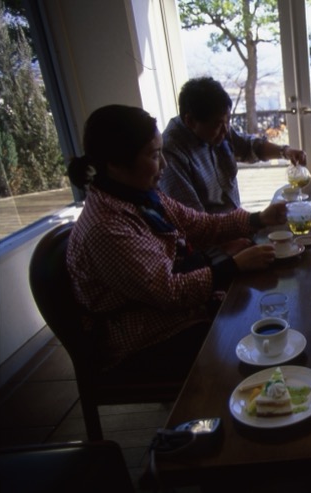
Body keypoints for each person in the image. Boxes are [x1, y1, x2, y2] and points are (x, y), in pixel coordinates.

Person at [67, 104, 288, 378]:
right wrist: (233, 266)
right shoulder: (105, 228)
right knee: (253, 344)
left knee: (265, 315)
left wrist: (258, 218)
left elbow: (200, 225)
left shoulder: (140, 197)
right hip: (146, 341)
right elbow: (169, 292)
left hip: (180, 314)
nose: (164, 164)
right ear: (115, 163)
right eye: (154, 155)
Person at [159, 76, 307, 214]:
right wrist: (254, 221)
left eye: (228, 120)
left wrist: (285, 152)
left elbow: (249, 146)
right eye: (218, 124)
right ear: (190, 121)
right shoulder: (171, 154)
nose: (225, 130)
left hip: (236, 220)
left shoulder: (217, 129)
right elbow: (193, 221)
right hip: (214, 231)